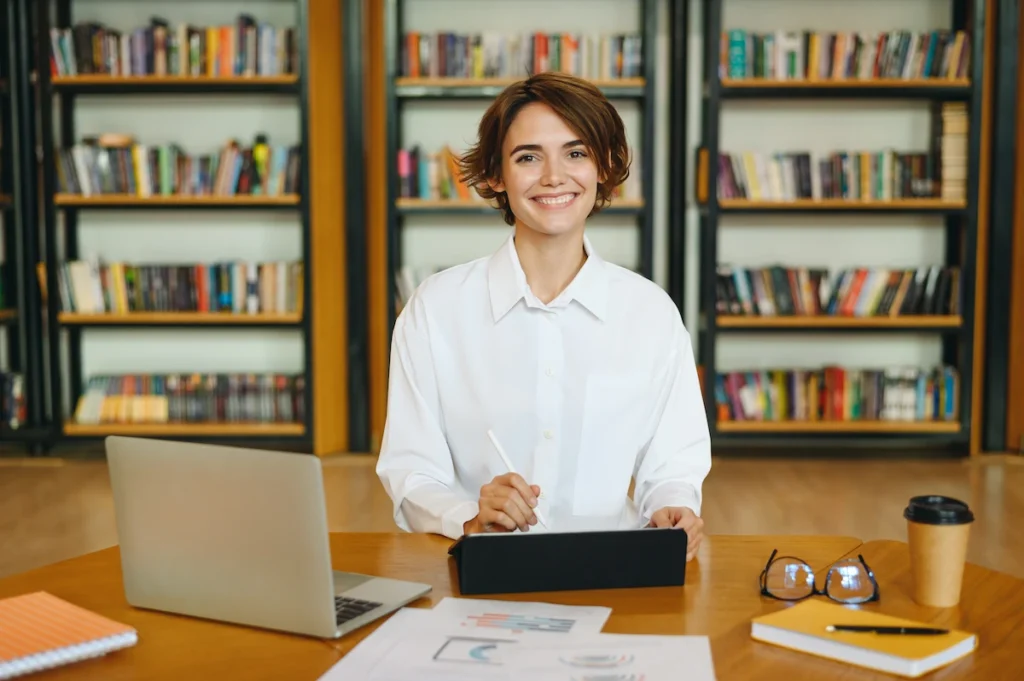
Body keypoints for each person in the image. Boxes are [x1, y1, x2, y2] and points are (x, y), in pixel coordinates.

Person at [375, 71, 711, 561]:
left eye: (576, 154)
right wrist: (468, 514)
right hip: (479, 573)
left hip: (615, 571)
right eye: (528, 157)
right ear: (495, 175)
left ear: (605, 167)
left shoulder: (651, 314)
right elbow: (410, 471)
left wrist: (671, 508)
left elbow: (673, 468)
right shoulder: (435, 311)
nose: (554, 176)